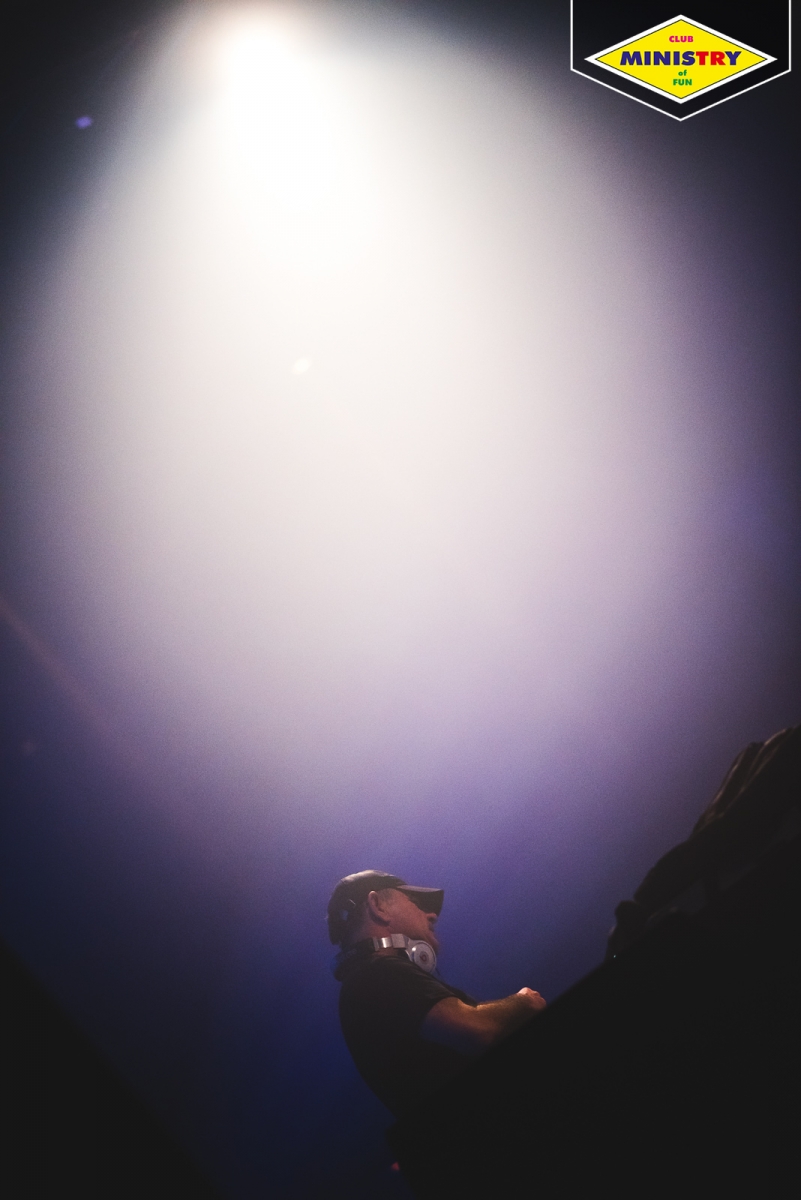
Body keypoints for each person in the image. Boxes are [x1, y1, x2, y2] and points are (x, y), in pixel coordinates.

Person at [327, 870, 546, 1117]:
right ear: (378, 906)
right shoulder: (377, 973)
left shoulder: (365, 983)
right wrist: (525, 1002)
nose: (432, 915)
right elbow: (477, 1029)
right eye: (415, 902)